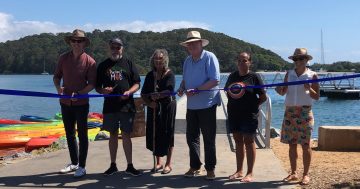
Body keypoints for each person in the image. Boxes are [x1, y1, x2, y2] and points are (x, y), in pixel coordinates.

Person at [177, 31, 220, 180]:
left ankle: (210, 169)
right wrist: (182, 87)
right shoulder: (187, 61)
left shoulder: (210, 57)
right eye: (189, 44)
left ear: (201, 43)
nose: (192, 45)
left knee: (209, 138)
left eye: (195, 43)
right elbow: (185, 79)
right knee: (191, 137)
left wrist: (197, 90)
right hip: (191, 106)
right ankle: (195, 166)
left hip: (207, 104)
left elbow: (215, 80)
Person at [53, 29, 97, 178]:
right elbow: (56, 77)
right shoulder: (63, 58)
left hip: (82, 103)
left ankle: (82, 166)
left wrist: (79, 94)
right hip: (65, 102)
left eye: (79, 41)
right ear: (70, 42)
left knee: (83, 135)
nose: (76, 44)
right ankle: (74, 163)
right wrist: (58, 88)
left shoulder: (90, 62)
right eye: (74, 41)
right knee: (70, 134)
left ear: (84, 43)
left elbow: (91, 84)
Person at [96, 37, 142, 176]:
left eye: (118, 47)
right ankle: (113, 165)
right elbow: (97, 86)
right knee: (113, 134)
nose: (115, 50)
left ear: (122, 48)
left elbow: (137, 83)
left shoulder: (129, 63)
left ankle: (129, 165)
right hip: (110, 107)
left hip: (127, 106)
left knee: (126, 135)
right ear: (109, 48)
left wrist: (129, 92)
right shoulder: (103, 65)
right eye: (113, 47)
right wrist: (103, 91)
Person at [275, 48, 320, 185]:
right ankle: (294, 173)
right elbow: (283, 92)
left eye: (301, 58)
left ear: (307, 60)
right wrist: (278, 90)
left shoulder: (312, 75)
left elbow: (316, 96)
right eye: (296, 59)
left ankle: (305, 174)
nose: (298, 61)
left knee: (306, 145)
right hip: (290, 111)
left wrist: (309, 88)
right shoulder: (289, 74)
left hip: (305, 112)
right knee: (292, 145)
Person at [225, 52, 267, 182]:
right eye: (239, 60)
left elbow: (263, 96)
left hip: (249, 115)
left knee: (249, 142)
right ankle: (239, 171)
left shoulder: (254, 77)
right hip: (234, 114)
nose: (242, 63)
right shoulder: (232, 76)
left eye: (245, 60)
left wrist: (254, 106)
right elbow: (228, 92)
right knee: (238, 142)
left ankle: (249, 173)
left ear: (250, 62)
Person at [141, 49, 176, 174]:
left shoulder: (169, 74)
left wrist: (159, 95)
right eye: (156, 59)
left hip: (167, 106)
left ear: (165, 60)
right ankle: (159, 162)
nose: (158, 61)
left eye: (160, 59)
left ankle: (168, 164)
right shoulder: (150, 75)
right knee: (155, 133)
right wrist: (150, 103)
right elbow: (143, 93)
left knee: (168, 132)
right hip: (154, 107)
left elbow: (170, 90)